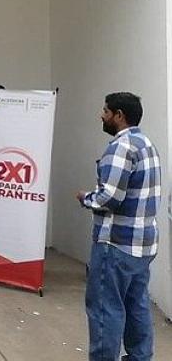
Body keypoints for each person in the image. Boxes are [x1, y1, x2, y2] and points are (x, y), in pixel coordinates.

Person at [77, 92, 161, 361]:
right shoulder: (147, 144)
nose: (101, 116)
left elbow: (111, 197)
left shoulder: (120, 147)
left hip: (116, 243)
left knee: (105, 308)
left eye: (105, 111)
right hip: (143, 243)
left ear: (119, 115)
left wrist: (86, 198)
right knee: (137, 304)